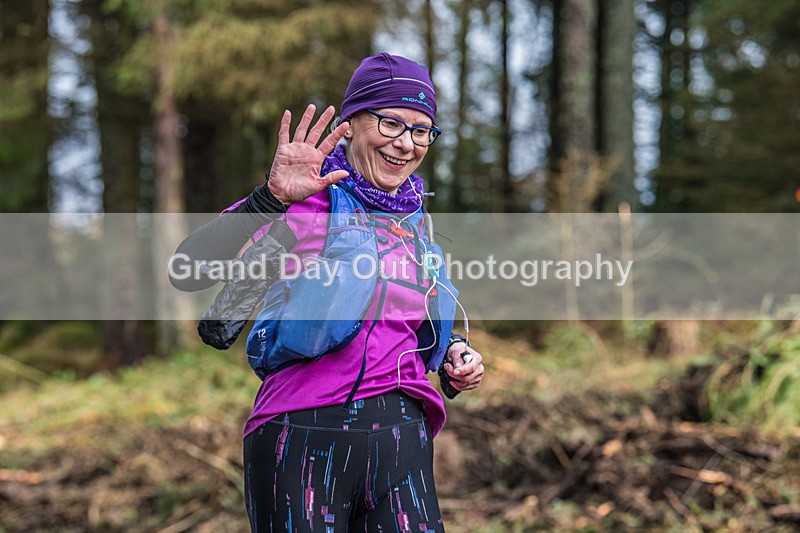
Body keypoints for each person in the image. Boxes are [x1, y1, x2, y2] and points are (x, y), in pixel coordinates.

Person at [171, 52, 484, 532]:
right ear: (353, 122)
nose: (407, 144)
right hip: (302, 437)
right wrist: (270, 200)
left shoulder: (415, 219)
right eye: (391, 123)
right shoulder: (309, 198)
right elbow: (187, 270)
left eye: (422, 130)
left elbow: (405, 323)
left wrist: (454, 353)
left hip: (403, 440)